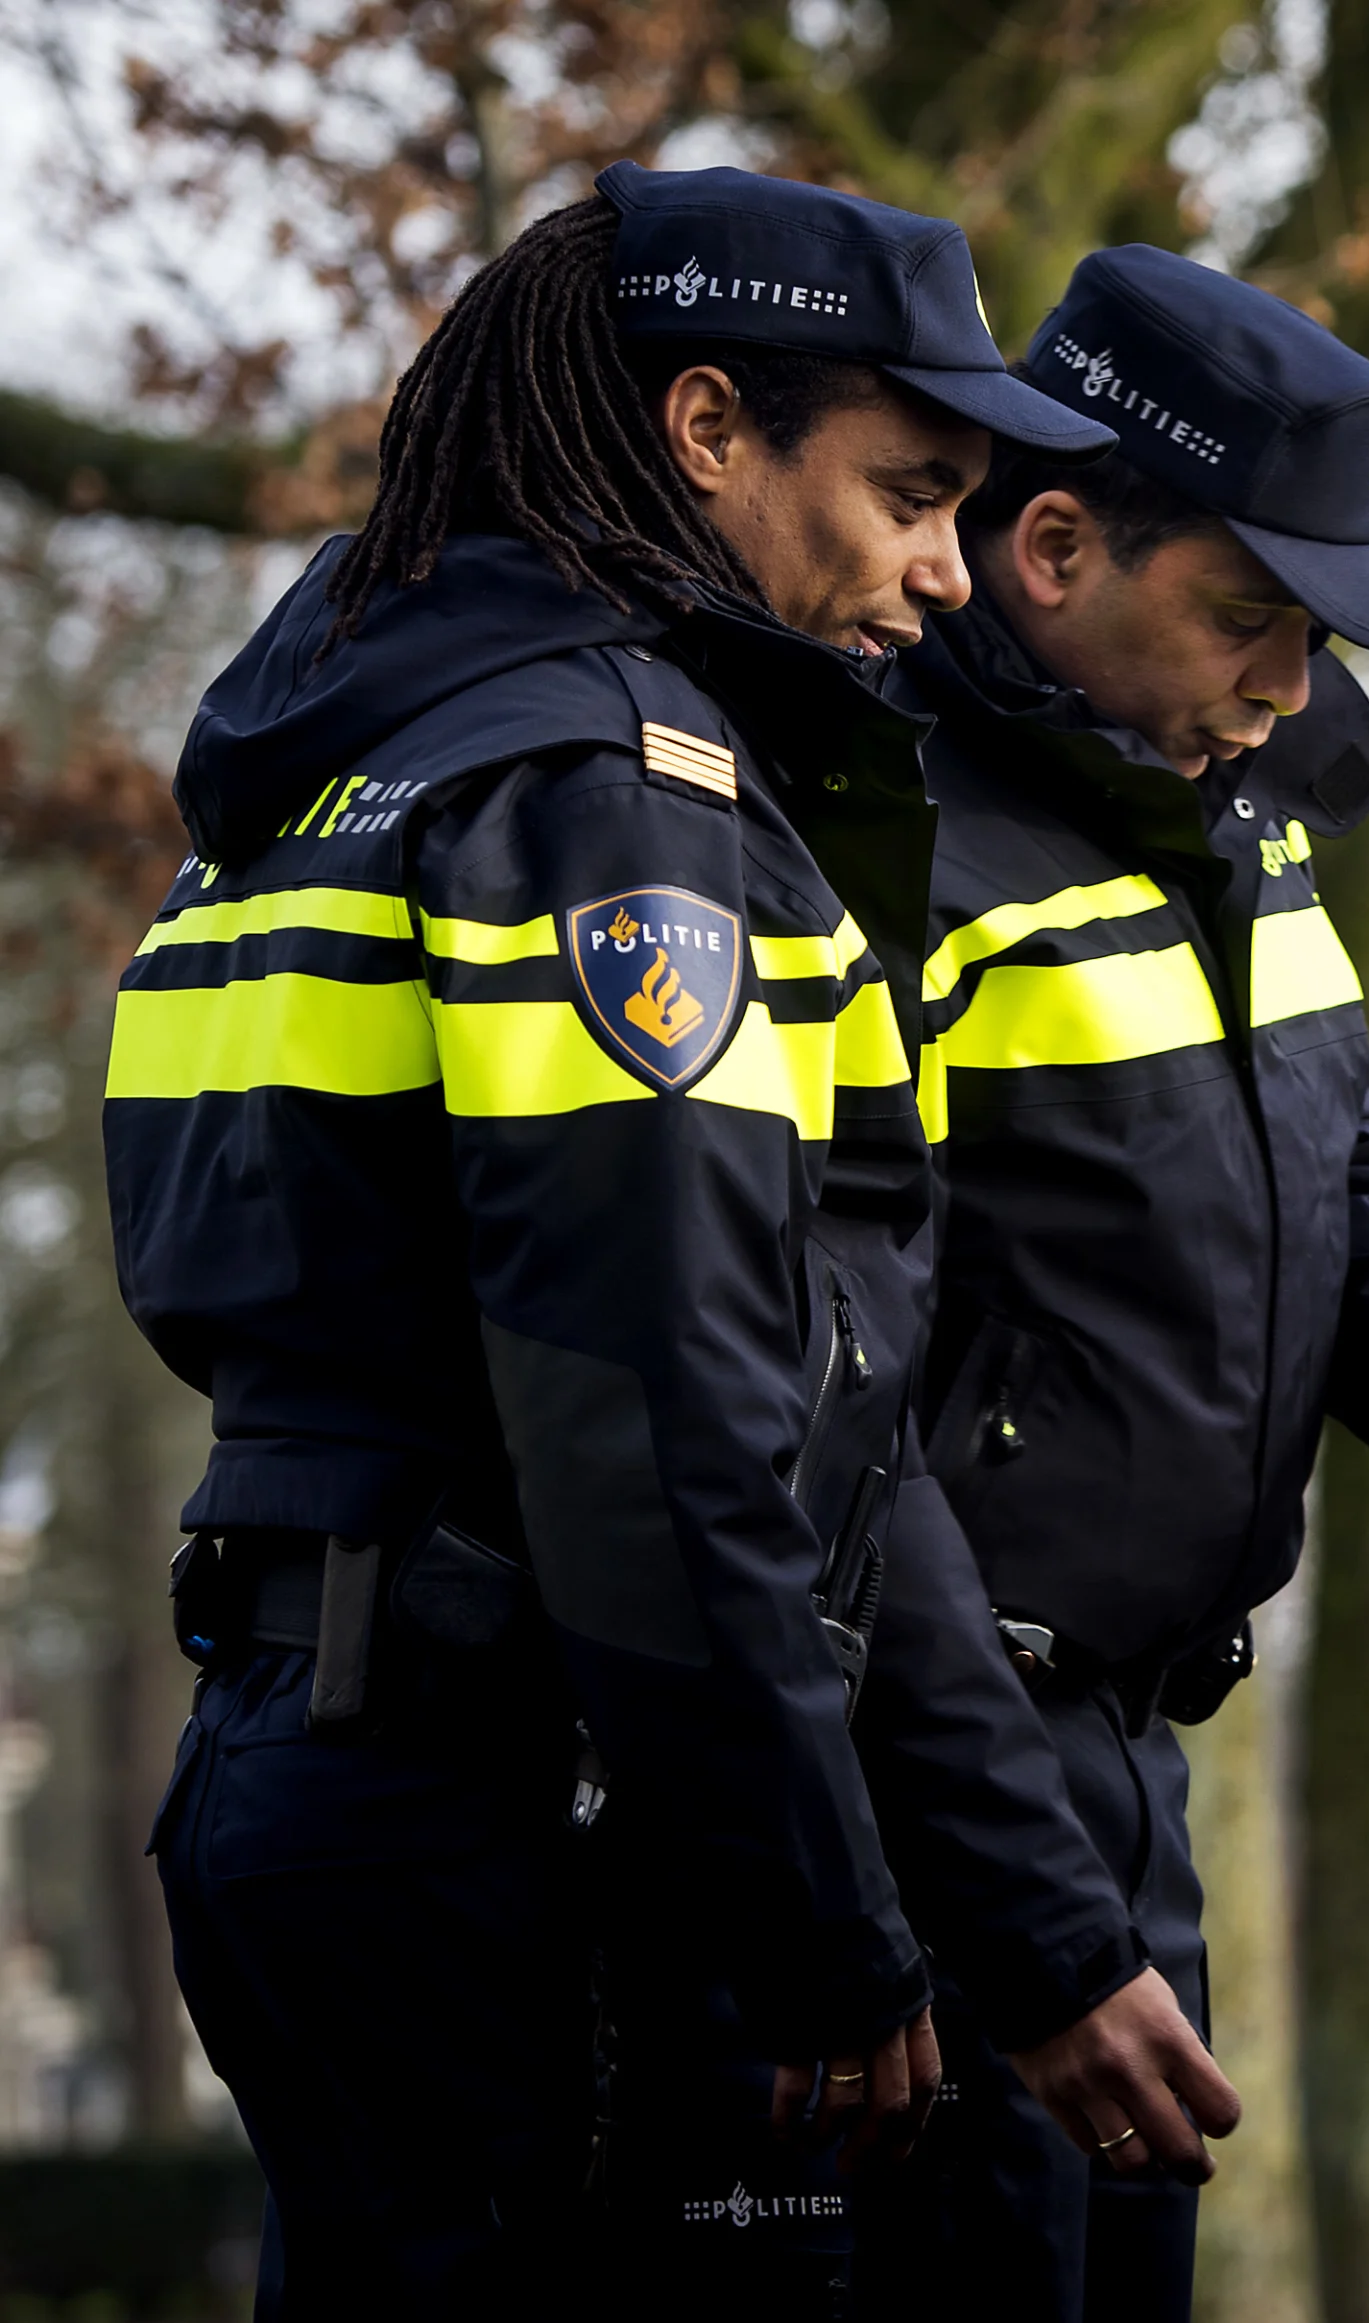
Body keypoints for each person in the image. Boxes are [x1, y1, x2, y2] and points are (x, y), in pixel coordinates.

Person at [105, 166, 1230, 2319]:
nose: (946, 570)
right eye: (910, 492)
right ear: (709, 427)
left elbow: (778, 1391)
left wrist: (1034, 1928)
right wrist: (832, 1929)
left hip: (304, 1761)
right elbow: (673, 1423)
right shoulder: (614, 796)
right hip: (521, 1819)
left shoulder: (338, 764)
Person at [862, 244, 1369, 2318]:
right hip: (930, 1788)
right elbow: (809, 1398)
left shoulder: (1239, 794)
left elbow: (1330, 1135)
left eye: (1318, 636)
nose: (1294, 689)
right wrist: (1012, 1907)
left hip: (1137, 1754)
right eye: (1248, 617)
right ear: (1053, 547)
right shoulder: (871, 842)